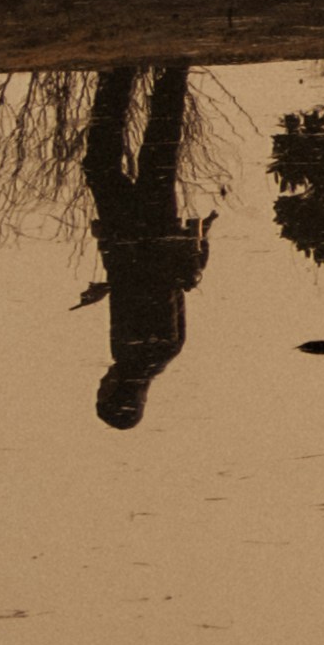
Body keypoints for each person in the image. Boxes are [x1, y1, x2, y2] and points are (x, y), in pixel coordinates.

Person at [75, 61, 210, 426]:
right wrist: (118, 248)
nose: (100, 385)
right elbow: (152, 284)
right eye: (103, 393)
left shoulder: (148, 357)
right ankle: (127, 74)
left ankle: (155, 74)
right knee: (115, 162)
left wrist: (107, 285)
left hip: (142, 237)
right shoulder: (144, 353)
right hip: (139, 233)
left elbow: (148, 292)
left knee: (155, 153)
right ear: (116, 394)